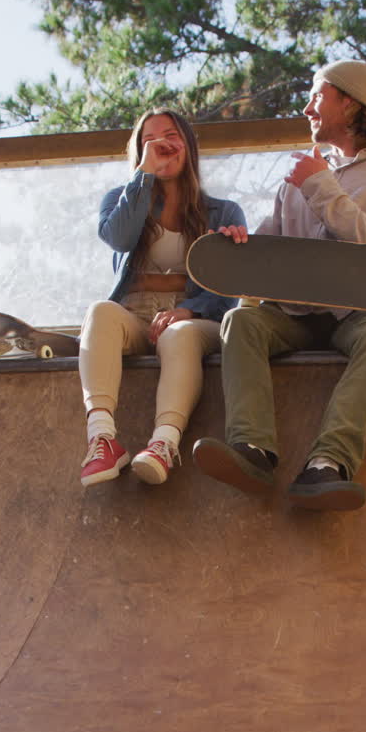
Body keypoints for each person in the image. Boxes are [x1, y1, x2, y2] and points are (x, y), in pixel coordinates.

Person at [192, 59, 366, 510]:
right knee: (242, 322)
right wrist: (239, 243)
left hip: (359, 314)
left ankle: (328, 464)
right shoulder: (300, 177)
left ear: (351, 103)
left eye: (317, 96)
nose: (306, 109)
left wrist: (319, 186)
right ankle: (253, 450)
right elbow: (270, 247)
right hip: (294, 314)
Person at [79, 108, 246, 487]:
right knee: (100, 312)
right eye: (149, 140)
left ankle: (164, 444)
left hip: (195, 317)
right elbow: (120, 238)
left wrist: (189, 309)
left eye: (170, 135)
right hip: (135, 315)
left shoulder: (224, 211)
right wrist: (145, 174)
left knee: (179, 334)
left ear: (188, 145)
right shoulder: (120, 198)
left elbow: (229, 287)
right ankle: (102, 439)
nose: (161, 144)